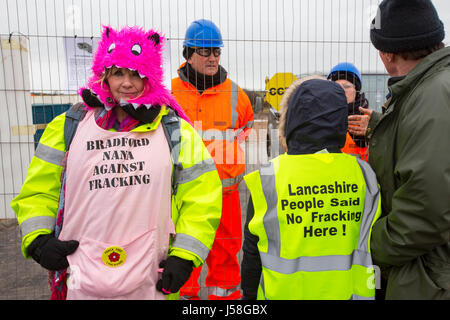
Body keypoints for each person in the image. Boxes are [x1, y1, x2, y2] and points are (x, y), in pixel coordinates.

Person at [10, 25, 222, 300]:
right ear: (104, 75)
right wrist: (39, 239)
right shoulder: (68, 127)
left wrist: (184, 255)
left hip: (150, 278)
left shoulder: (174, 130)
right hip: (80, 278)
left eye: (137, 74)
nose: (127, 83)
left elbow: (201, 197)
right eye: (118, 73)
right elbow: (39, 191)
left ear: (150, 77)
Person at [241, 76, 381, 300]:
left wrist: (248, 295)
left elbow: (252, 251)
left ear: (293, 118)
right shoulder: (364, 174)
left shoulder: (268, 177)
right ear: (340, 119)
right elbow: (376, 244)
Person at [367, 0, 450, 299]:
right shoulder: (432, 87)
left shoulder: (431, 98)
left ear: (388, 53)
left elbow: (424, 215)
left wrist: (367, 243)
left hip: (431, 276)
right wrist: (377, 125)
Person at [171, 19, 254, 300]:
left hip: (225, 194)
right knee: (183, 255)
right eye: (205, 52)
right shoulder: (169, 94)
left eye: (216, 51)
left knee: (227, 258)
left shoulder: (236, 94)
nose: (212, 58)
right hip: (183, 195)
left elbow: (245, 129)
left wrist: (227, 160)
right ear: (188, 54)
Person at [327, 62, 369, 160]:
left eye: (347, 87)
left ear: (356, 90)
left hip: (361, 172)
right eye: (336, 86)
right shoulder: (321, 116)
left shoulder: (367, 118)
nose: (341, 90)